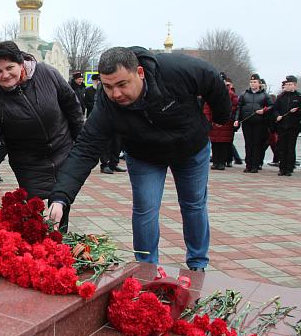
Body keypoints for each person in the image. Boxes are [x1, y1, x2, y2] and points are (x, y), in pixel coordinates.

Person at [47, 46, 230, 271]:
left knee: (193, 204)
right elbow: (85, 149)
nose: (116, 94)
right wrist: (61, 197)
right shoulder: (106, 105)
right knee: (145, 207)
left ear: (140, 73)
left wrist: (222, 116)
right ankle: (146, 267)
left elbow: (211, 79)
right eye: (108, 86)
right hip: (144, 154)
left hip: (190, 148)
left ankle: (198, 263)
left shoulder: (175, 69)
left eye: (122, 84)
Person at [0, 41, 83, 228]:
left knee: (61, 205)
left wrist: (81, 143)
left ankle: (60, 247)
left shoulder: (47, 74)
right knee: (36, 215)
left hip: (63, 150)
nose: (5, 75)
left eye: (10, 67)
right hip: (29, 163)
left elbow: (72, 106)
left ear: (21, 63)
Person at [233, 74, 272, 173]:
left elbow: (271, 106)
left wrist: (264, 110)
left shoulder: (264, 95)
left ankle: (255, 165)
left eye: (255, 82)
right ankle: (248, 165)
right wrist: (237, 119)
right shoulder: (244, 94)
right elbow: (239, 108)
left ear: (259, 83)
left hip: (259, 123)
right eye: (251, 82)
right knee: (248, 144)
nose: (252, 84)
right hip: (247, 122)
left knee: (257, 144)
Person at [272, 75, 301, 176]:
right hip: (282, 126)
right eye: (286, 84)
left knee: (290, 148)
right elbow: (275, 109)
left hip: (293, 126)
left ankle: (289, 168)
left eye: (290, 84)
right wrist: (277, 116)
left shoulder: (299, 97)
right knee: (282, 148)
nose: (287, 86)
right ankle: (282, 168)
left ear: (294, 85)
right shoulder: (281, 97)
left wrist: (297, 110)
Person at [205, 77, 238, 170]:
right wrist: (208, 120)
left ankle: (222, 162)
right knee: (214, 143)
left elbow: (235, 107)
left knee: (224, 144)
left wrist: (225, 117)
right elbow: (207, 107)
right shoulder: (211, 93)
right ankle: (215, 162)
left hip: (225, 123)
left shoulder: (231, 94)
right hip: (214, 122)